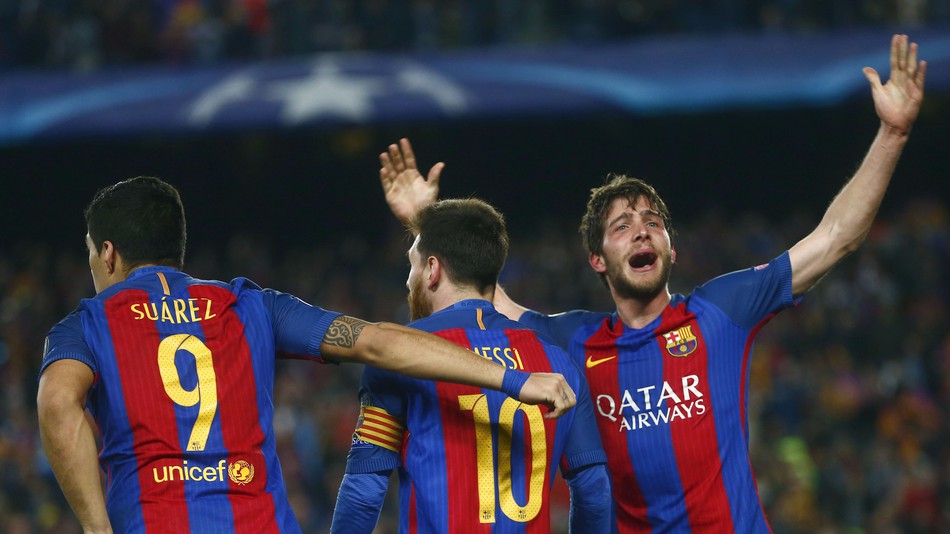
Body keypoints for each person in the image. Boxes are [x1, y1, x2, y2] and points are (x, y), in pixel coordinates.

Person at [377, 34, 926, 532]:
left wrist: (893, 133)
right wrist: (428, 224)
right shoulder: (571, 341)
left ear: (671, 248)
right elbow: (469, 295)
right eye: (623, 226)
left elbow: (834, 238)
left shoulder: (721, 310)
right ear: (597, 259)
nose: (643, 231)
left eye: (654, 224)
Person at [36, 176, 577, 534]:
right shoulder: (250, 304)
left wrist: (96, 528)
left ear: (107, 253)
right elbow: (378, 342)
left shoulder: (87, 323)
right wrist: (513, 378)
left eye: (90, 256)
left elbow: (58, 402)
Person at [329, 193, 612, 532]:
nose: (409, 279)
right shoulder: (558, 363)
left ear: (432, 269)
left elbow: (364, 490)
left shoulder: (397, 357)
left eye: (413, 264)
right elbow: (594, 490)